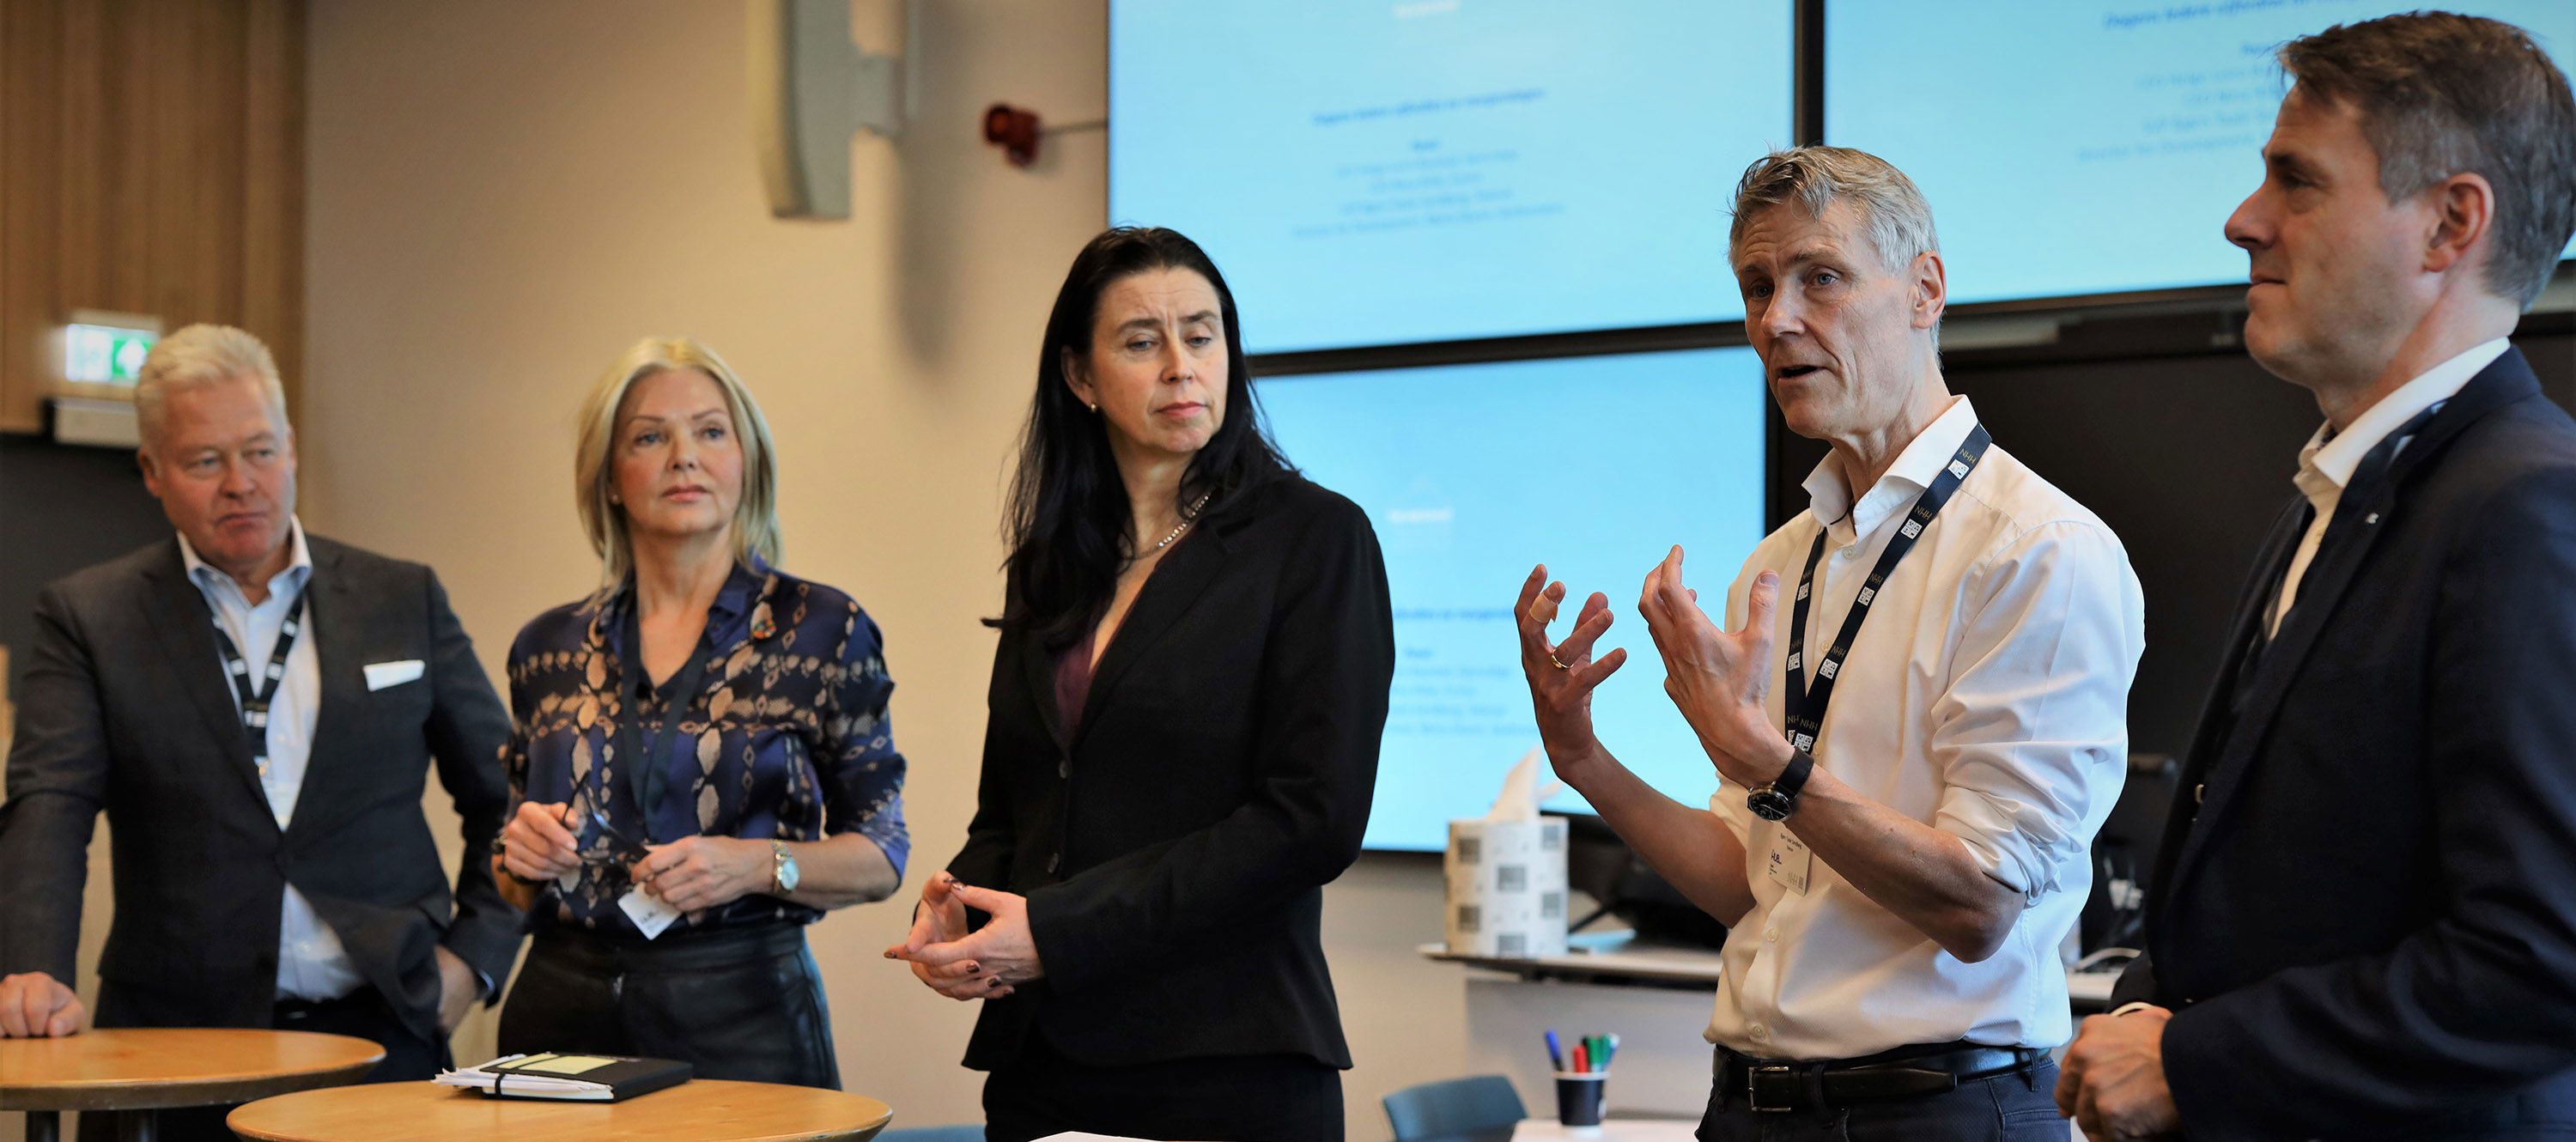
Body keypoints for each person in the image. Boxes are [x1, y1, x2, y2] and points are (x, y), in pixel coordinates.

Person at [1516, 148, 2143, 1140]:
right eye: (1757, 288)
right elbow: (1746, 878)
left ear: (1925, 289)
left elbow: (1983, 905)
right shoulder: (1781, 560)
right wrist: (1583, 758)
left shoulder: (2038, 550)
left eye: (1821, 278)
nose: (1776, 321)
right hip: (1750, 1106)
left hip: (1939, 1111)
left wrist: (1766, 759)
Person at [2058, 13, 2576, 1140]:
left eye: (2296, 182)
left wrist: (2191, 1056)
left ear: (2450, 222)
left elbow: (2541, 959)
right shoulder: (2342, 490)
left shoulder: (2525, 504)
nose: (2244, 222)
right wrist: (2151, 999)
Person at [884, 227, 1393, 1142]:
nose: (1179, 367)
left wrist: (1059, 931)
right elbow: (1017, 809)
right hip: (1042, 1064)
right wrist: (960, 905)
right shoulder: (1050, 564)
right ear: (1080, 377)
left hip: (1228, 1063)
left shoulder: (1314, 540)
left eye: (1201, 335)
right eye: (1140, 341)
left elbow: (1313, 820)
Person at [0, 325, 518, 1133]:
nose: (241, 484)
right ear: (152, 472)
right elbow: (48, 803)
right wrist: (34, 968)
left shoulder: (400, 597)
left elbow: (507, 799)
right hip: (171, 1054)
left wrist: (474, 962)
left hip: (383, 1038)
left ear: (294, 450)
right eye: (205, 461)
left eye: (260, 451)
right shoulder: (90, 615)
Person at [489, 337, 907, 1088]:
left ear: (747, 462)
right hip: (559, 1008)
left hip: (743, 1015)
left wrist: (753, 865)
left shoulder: (824, 628)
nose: (684, 456)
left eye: (711, 431)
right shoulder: (544, 647)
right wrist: (518, 857)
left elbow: (882, 855)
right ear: (612, 478)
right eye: (650, 437)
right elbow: (514, 886)